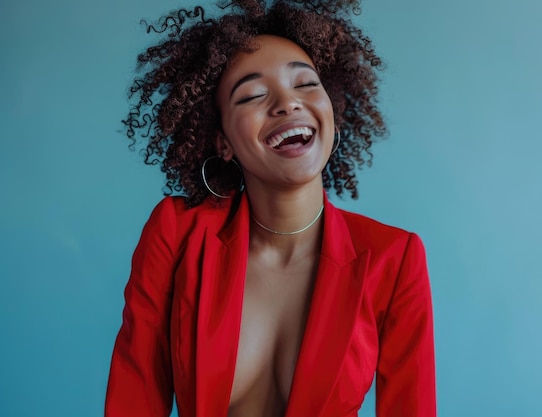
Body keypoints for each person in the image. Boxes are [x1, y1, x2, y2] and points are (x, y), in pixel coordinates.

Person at [105, 1, 436, 416]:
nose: (287, 104)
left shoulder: (394, 258)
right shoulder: (176, 233)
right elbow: (133, 400)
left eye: (306, 84)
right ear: (221, 141)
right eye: (253, 95)